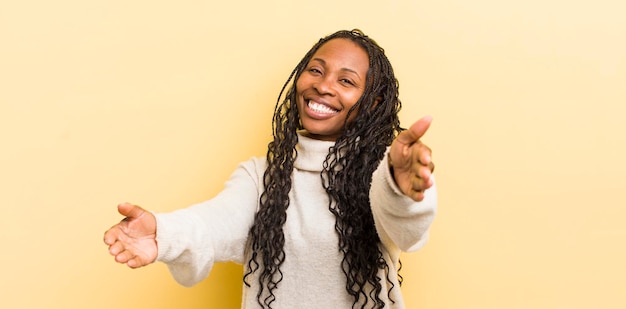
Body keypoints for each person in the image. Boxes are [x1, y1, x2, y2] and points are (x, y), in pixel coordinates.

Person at [104, 29, 437, 309]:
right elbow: (213, 222)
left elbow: (406, 231)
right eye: (316, 70)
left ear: (372, 102)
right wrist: (164, 232)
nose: (323, 86)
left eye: (346, 81)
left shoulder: (385, 172)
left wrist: (399, 188)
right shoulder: (261, 177)